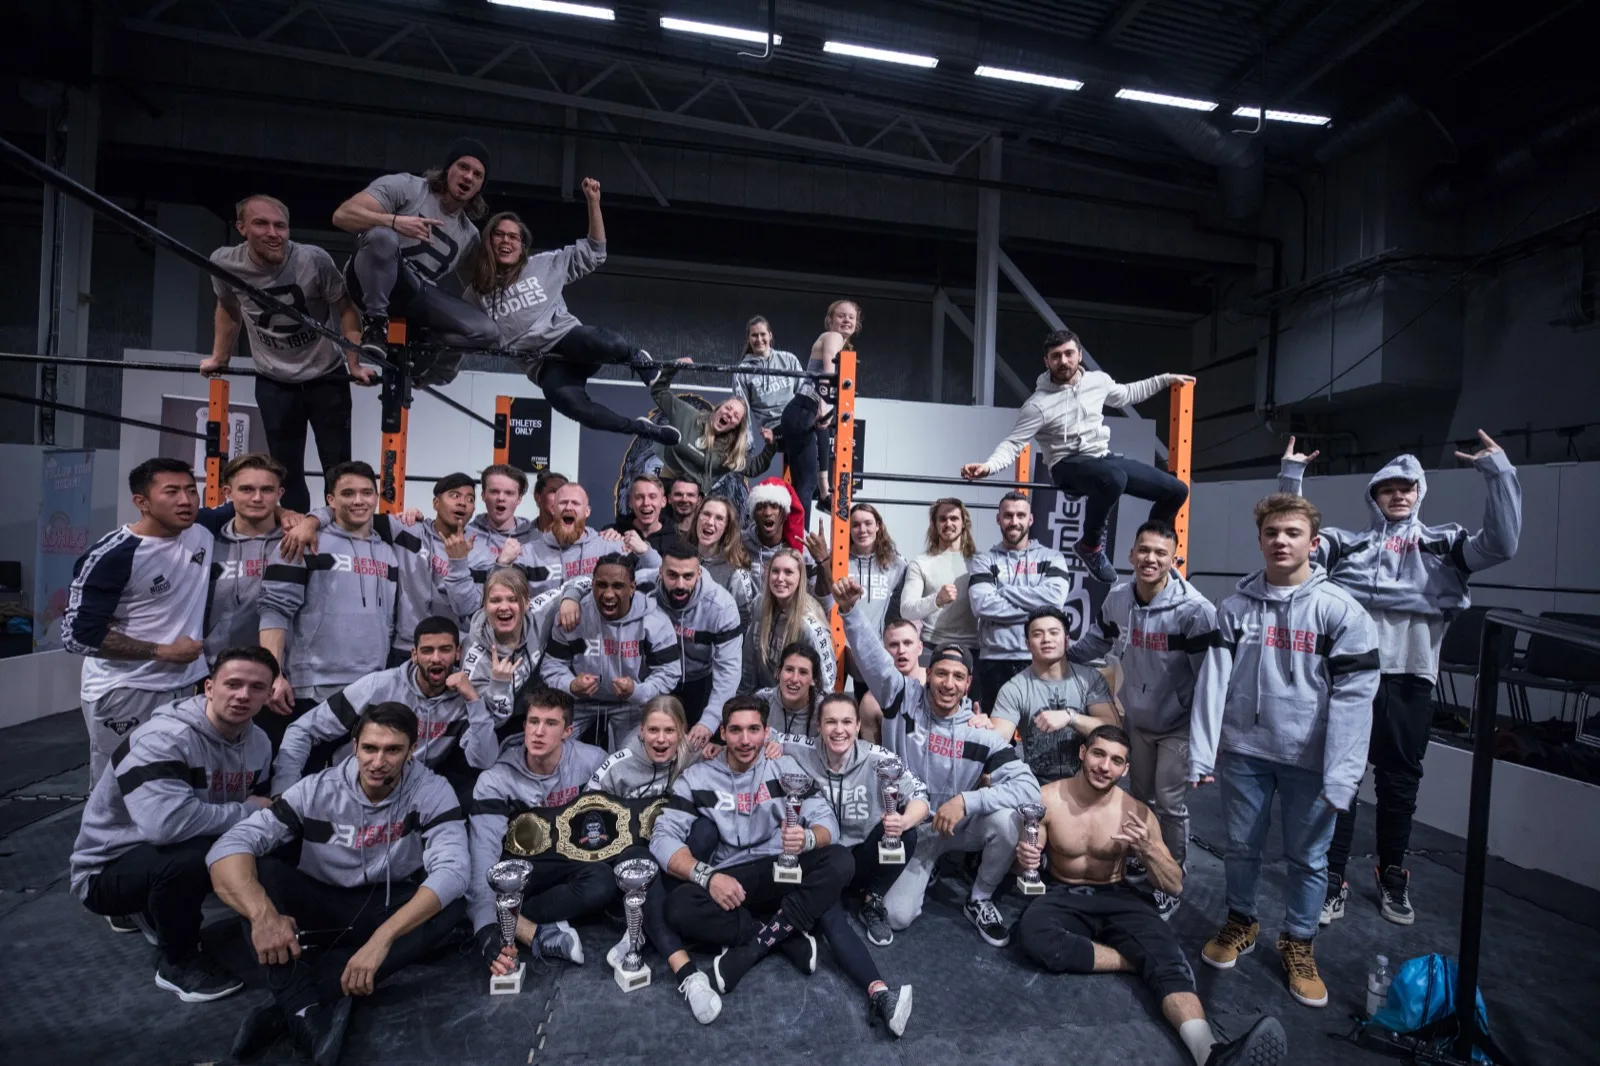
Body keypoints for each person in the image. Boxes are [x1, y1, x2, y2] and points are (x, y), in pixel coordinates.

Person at [1279, 432, 1521, 926]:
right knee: (1341, 778)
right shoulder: (1347, 545)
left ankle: (1392, 874)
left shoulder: (1444, 544)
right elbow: (1293, 540)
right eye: (1387, 488)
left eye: (1406, 487)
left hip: (1411, 676)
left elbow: (1502, 545)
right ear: (1374, 496)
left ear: (1418, 492)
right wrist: (1291, 477)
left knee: (1399, 783)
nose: (1398, 495)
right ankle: (1333, 878)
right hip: (1351, 678)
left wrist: (1499, 472)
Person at [1190, 493, 1379, 1009]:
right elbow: (1213, 684)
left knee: (1310, 859)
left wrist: (1343, 776)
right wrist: (1203, 753)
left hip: (1311, 762)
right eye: (1272, 532)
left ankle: (1299, 941)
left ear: (1313, 543)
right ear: (1259, 540)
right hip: (1245, 752)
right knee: (1240, 847)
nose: (1281, 541)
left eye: (1292, 533)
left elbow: (1356, 700)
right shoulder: (1234, 609)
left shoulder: (1341, 612)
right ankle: (1241, 921)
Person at [210, 703, 469, 1065]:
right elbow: (230, 845)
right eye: (370, 748)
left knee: (453, 904)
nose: (378, 761)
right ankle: (303, 1008)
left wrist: (381, 940)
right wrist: (263, 916)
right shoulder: (316, 788)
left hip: (383, 904)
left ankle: (295, 1005)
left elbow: (454, 870)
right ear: (354, 745)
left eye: (393, 750)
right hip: (321, 901)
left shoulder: (432, 789)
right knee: (259, 875)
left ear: (412, 749)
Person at [1014, 725, 1286, 1066]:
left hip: (1117, 894)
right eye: (1098, 754)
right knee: (1033, 934)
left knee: (1170, 961)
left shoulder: (1137, 812)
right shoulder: (1047, 799)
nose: (1104, 767)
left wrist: (1149, 850)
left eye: (1116, 761)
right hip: (1063, 891)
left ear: (1125, 768)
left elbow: (1173, 886)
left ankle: (1211, 1054)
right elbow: (1024, 867)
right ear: (1083, 753)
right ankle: (1135, 959)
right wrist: (1024, 858)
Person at [652, 696, 911, 1036]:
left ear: (766, 732)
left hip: (780, 869)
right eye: (736, 730)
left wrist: (807, 839)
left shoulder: (785, 768)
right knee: (679, 907)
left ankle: (878, 993)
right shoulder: (697, 777)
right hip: (733, 878)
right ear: (723, 733)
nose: (745, 740)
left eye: (754, 730)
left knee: (840, 861)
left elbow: (827, 823)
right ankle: (786, 934)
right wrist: (708, 876)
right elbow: (662, 837)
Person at [836, 577, 1040, 947]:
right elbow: (872, 658)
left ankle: (979, 898)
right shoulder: (902, 697)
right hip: (911, 828)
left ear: (968, 684)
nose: (948, 683)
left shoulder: (980, 732)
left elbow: (1030, 790)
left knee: (1008, 820)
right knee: (896, 917)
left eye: (958, 677)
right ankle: (926, 869)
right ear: (927, 675)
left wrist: (967, 801)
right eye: (941, 673)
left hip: (957, 825)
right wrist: (849, 611)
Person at [69, 646, 278, 1000]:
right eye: (233, 684)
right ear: (209, 687)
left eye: (256, 687)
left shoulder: (259, 742)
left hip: (164, 849)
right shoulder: (163, 738)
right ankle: (177, 962)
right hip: (105, 871)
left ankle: (156, 909)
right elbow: (165, 826)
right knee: (195, 856)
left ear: (269, 695)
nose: (243, 695)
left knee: (265, 838)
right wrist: (247, 811)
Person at [961, 328, 1194, 585]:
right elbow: (1014, 443)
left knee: (1176, 490)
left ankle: (1154, 545)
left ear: (1079, 355)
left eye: (1069, 353)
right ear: (1047, 362)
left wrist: (1165, 379)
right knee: (1114, 478)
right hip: (1066, 464)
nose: (1063, 361)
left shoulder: (1097, 382)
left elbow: (1127, 394)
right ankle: (1090, 546)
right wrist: (988, 466)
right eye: (1056, 356)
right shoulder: (1037, 405)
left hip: (1101, 459)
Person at [1071, 521, 1217, 905]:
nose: (1150, 559)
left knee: (1169, 805)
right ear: (1132, 554)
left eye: (1160, 553)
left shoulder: (1195, 611)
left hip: (1177, 724)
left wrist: (1206, 745)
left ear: (1174, 559)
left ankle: (1171, 875)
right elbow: (1097, 641)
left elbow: (1210, 682)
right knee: (1137, 797)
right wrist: (1059, 654)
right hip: (1137, 718)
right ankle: (1142, 856)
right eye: (1144, 550)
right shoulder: (1118, 599)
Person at [462, 183, 676, 443]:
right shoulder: (476, 294)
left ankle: (636, 358)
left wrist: (593, 201)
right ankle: (642, 429)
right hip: (543, 365)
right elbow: (461, 334)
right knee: (572, 406)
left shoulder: (541, 265)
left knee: (607, 342)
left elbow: (595, 252)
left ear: (522, 245)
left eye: (513, 236)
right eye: (499, 235)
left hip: (569, 340)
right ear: (488, 241)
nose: (506, 240)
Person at [203, 194, 373, 513]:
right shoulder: (225, 263)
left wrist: (354, 363)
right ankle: (296, 533)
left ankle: (338, 533)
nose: (273, 233)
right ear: (241, 227)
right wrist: (219, 357)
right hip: (274, 380)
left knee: (339, 469)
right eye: (261, 224)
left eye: (280, 226)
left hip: (326, 375)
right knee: (285, 471)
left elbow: (346, 307)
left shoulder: (313, 260)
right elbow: (228, 308)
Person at [65, 458, 212, 785]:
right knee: (121, 786)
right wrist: (162, 651)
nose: (186, 500)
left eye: (191, 490)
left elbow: (251, 504)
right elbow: (78, 636)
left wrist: (302, 519)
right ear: (141, 502)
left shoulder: (201, 530)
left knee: (174, 781)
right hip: (127, 688)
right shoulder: (113, 556)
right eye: (171, 492)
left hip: (185, 685)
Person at [585, 696, 722, 1024]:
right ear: (641, 732)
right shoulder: (617, 764)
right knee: (641, 862)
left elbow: (737, 753)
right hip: (631, 858)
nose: (661, 739)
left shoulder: (692, 755)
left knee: (706, 830)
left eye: (669, 731)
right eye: (653, 730)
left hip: (671, 856)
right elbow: (586, 815)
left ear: (683, 732)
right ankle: (688, 973)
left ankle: (642, 926)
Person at [257, 461, 405, 751]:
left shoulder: (388, 552)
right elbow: (274, 609)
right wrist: (273, 673)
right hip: (312, 686)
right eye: (348, 493)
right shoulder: (302, 541)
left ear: (376, 497)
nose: (359, 501)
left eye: (366, 493)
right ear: (330, 500)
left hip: (371, 685)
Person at [332, 140, 500, 383]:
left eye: (477, 174)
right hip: (366, 282)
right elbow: (342, 216)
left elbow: (484, 289)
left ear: (481, 186)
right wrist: (393, 221)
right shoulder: (408, 188)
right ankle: (375, 325)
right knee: (382, 237)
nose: (468, 177)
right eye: (463, 167)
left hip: (413, 296)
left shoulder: (469, 235)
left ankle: (427, 345)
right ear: (448, 169)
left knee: (487, 331)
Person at [772, 692, 930, 948]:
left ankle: (872, 899)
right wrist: (716, 749)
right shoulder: (801, 748)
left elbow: (920, 795)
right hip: (822, 857)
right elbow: (757, 735)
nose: (839, 730)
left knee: (906, 834)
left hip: (863, 856)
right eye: (830, 722)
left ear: (858, 726)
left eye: (846, 722)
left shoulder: (879, 759)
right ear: (819, 726)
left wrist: (904, 821)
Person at [467, 687, 609, 971]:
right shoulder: (495, 779)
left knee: (603, 881)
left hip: (569, 859)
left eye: (551, 723)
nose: (539, 732)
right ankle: (521, 925)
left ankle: (516, 918)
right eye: (533, 721)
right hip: (521, 868)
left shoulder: (593, 761)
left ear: (568, 731)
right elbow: (484, 855)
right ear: (524, 726)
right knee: (489, 881)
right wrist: (485, 929)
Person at [272, 617, 498, 794]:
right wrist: (283, 790)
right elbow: (303, 729)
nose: (436, 658)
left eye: (445, 650)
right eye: (427, 650)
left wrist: (473, 700)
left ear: (458, 653)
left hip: (415, 796)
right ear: (414, 654)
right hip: (352, 790)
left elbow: (483, 760)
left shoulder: (465, 696)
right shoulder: (377, 687)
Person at [541, 555, 683, 747]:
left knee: (632, 758)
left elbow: (669, 673)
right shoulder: (573, 615)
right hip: (581, 703)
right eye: (601, 585)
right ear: (592, 585)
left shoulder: (654, 621)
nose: (608, 594)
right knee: (547, 744)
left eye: (617, 586)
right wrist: (570, 686)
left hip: (632, 705)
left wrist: (637, 691)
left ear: (632, 588)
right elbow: (552, 665)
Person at [990, 607, 1119, 786]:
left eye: (1053, 632)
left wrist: (1071, 718)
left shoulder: (1089, 679)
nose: (1046, 639)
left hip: (1089, 785)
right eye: (1037, 634)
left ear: (1066, 640)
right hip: (1036, 786)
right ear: (1028, 644)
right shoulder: (1014, 689)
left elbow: (1113, 730)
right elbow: (997, 742)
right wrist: (981, 731)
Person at [966, 492, 1072, 706]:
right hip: (994, 660)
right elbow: (982, 605)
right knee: (995, 726)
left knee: (1041, 726)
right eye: (1008, 515)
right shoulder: (983, 561)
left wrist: (1004, 591)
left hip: (1040, 658)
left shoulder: (1052, 558)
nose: (1014, 521)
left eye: (1020, 515)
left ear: (1030, 519)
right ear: (998, 519)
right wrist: (1038, 612)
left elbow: (1055, 601)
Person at [650, 542, 742, 747]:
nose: (680, 584)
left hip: (701, 680)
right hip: (657, 678)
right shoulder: (642, 586)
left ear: (699, 573)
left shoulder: (722, 606)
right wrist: (575, 598)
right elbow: (596, 581)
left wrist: (710, 721)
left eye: (688, 576)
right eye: (672, 575)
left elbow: (729, 671)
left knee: (703, 747)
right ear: (660, 572)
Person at [203, 454, 289, 665]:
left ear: (279, 493)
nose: (257, 498)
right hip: (219, 666)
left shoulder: (297, 542)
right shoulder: (206, 544)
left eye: (267, 490)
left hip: (285, 671)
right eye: (246, 489)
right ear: (227, 493)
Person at [648, 363, 778, 498]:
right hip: (666, 488)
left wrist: (770, 446)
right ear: (718, 408)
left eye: (736, 416)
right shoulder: (687, 415)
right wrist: (674, 366)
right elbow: (659, 391)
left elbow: (754, 468)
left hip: (695, 499)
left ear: (736, 426)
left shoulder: (730, 451)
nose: (729, 414)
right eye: (728, 408)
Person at [780, 300, 857, 526]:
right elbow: (828, 372)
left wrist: (825, 491)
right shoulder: (833, 336)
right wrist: (824, 406)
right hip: (805, 408)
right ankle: (799, 537)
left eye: (851, 317)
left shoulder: (843, 346)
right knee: (805, 484)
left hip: (802, 411)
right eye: (841, 316)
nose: (846, 320)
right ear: (830, 320)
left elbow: (823, 437)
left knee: (805, 482)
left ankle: (822, 496)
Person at [461, 567, 556, 729]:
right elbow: (491, 723)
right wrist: (499, 685)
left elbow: (583, 582)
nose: (504, 607)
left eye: (513, 599)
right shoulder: (474, 660)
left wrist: (571, 598)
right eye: (495, 600)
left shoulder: (539, 611)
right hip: (500, 731)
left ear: (527, 603)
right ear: (484, 606)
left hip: (536, 715)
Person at [898, 497, 979, 673]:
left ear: (964, 523)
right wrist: (937, 600)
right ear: (934, 524)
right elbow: (906, 610)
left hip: (972, 649)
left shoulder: (979, 562)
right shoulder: (920, 563)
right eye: (942, 519)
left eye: (954, 518)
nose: (948, 523)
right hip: (932, 647)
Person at [744, 546, 837, 696]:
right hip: (762, 700)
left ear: (800, 578)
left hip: (798, 704)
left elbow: (825, 688)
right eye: (775, 571)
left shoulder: (811, 627)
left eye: (788, 572)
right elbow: (748, 664)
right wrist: (743, 701)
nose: (780, 578)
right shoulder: (759, 605)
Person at [843, 503, 908, 653]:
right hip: (841, 645)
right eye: (855, 525)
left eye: (868, 523)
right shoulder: (838, 561)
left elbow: (899, 610)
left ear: (878, 526)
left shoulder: (896, 564)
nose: (862, 530)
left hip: (875, 647)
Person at [730, 314, 805, 445]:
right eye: (754, 335)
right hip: (774, 430)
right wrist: (748, 444)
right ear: (748, 339)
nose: (759, 339)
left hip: (796, 420)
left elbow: (804, 393)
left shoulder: (789, 359)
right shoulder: (742, 371)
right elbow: (742, 411)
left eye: (763, 334)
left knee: (818, 428)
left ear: (770, 335)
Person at [692, 496, 758, 628]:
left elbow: (745, 621)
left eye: (719, 518)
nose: (710, 522)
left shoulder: (736, 573)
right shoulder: (681, 556)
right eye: (706, 514)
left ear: (727, 527)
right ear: (697, 518)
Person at [754, 642, 828, 738]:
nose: (794, 679)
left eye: (803, 672)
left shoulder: (825, 710)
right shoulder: (762, 699)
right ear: (778, 672)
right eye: (789, 670)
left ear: (814, 680)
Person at [606, 474, 675, 554]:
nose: (646, 503)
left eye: (652, 497)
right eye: (639, 497)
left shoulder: (676, 541)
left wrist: (646, 551)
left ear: (663, 501)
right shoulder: (612, 533)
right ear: (630, 502)